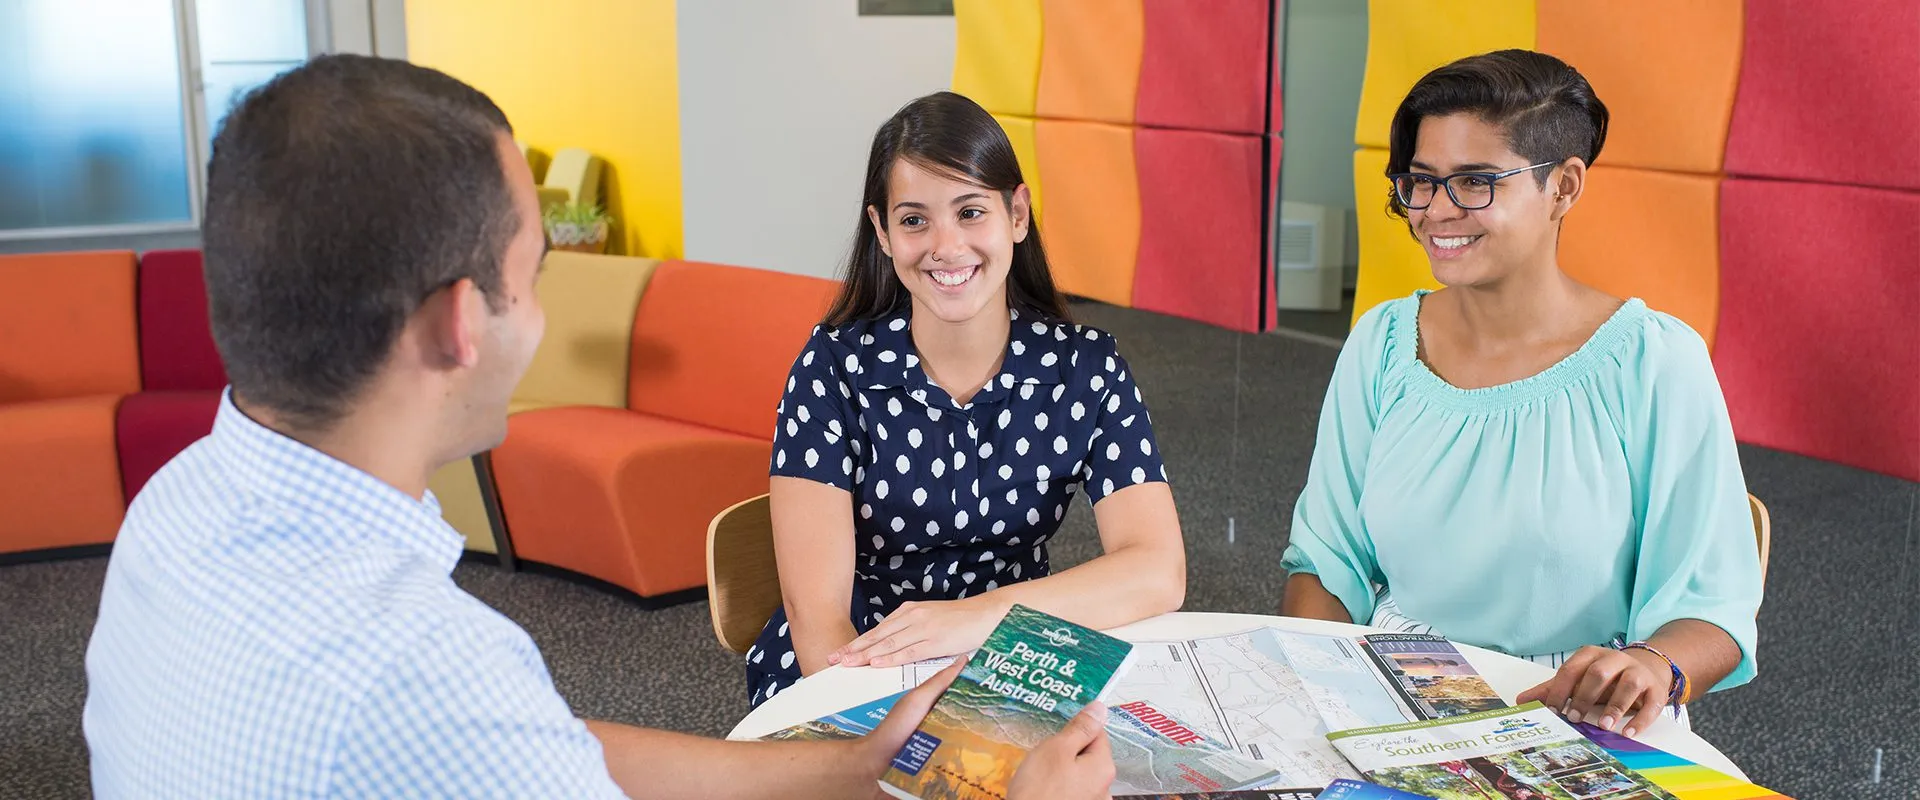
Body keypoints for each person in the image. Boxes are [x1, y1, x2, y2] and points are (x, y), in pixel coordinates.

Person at [81, 55, 1115, 799]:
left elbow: (542, 743)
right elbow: (482, 728)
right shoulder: (430, 672)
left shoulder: (175, 509)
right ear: (459, 324)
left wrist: (853, 762)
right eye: (537, 274)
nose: (542, 315)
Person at [1278, 50, 1762, 740]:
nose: (1437, 211)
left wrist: (1651, 665)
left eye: (1475, 182)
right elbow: (1329, 564)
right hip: (1388, 688)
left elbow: (1712, 610)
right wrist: (1317, 696)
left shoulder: (1655, 360)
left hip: (1581, 710)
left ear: (1563, 186)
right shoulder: (1381, 343)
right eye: (1422, 182)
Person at [745, 92, 1187, 706]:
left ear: (1017, 215)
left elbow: (1158, 570)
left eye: (971, 212)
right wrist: (891, 730)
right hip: (858, 665)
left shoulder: (1086, 366)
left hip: (1015, 653)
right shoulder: (833, 368)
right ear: (882, 232)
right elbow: (821, 627)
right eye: (914, 220)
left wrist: (971, 620)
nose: (946, 246)